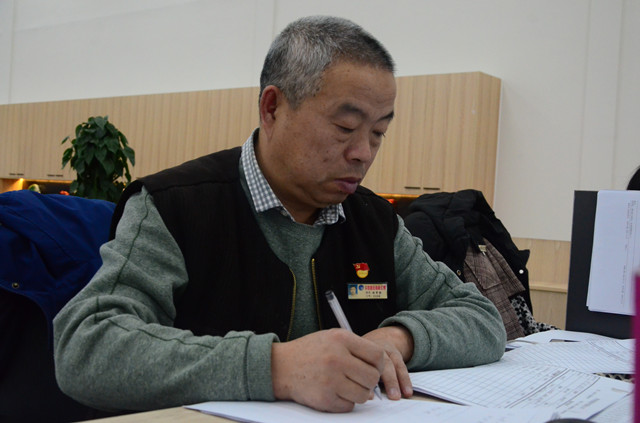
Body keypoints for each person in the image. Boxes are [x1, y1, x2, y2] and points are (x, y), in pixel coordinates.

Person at [53, 15, 506, 414]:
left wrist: (398, 338)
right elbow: (86, 346)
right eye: (345, 127)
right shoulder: (176, 207)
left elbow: (481, 318)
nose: (363, 153)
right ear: (272, 108)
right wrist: (277, 367)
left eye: (378, 133)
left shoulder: (374, 220)